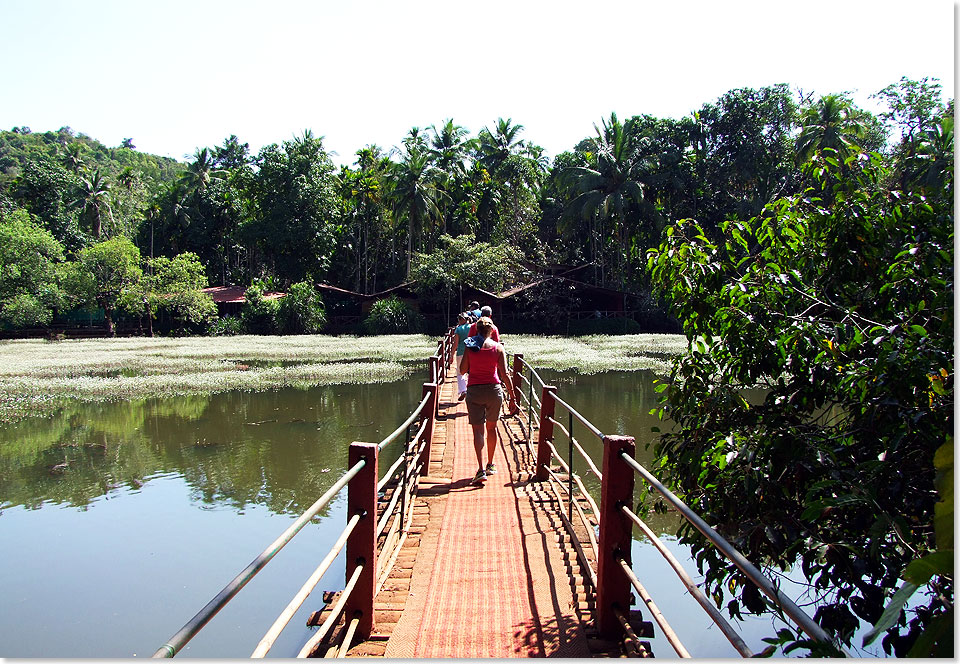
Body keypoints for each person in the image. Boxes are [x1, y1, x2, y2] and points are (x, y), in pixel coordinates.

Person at [459, 317, 513, 485]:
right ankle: (491, 464)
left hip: (474, 391)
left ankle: (481, 469)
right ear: (491, 331)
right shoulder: (498, 348)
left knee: (478, 432)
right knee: (492, 428)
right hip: (494, 391)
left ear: (476, 330)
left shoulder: (470, 346)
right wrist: (512, 396)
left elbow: (462, 370)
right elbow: (504, 374)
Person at [453, 312, 472, 400]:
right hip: (471, 352)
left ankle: (464, 390)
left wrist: (451, 355)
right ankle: (472, 390)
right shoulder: (472, 327)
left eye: (459, 320)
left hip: (461, 352)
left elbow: (455, 344)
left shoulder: (458, 329)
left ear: (461, 319)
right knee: (471, 371)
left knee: (460, 372)